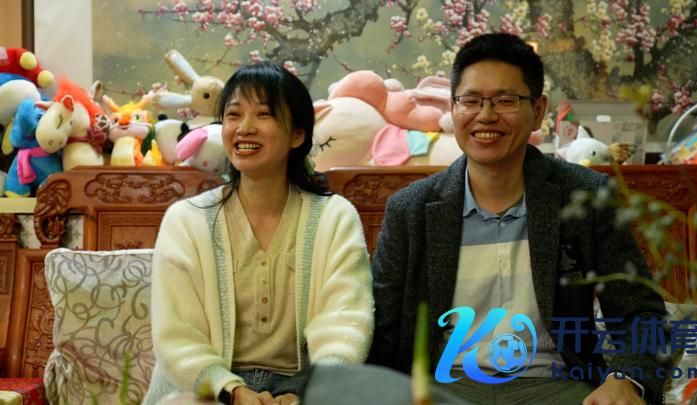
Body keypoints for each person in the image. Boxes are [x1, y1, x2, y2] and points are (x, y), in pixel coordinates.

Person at [368, 33, 668, 405]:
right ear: (453, 108)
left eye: (505, 100)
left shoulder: (586, 196)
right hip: (443, 388)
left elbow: (640, 311)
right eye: (471, 101)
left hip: (557, 385)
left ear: (538, 110)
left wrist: (627, 379)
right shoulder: (410, 210)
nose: (486, 115)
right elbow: (381, 327)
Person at [143, 61, 374, 405]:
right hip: (209, 390)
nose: (244, 128)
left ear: (297, 135)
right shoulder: (187, 220)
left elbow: (346, 323)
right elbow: (176, 335)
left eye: (263, 114)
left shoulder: (335, 218)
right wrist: (233, 392)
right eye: (233, 115)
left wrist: (307, 393)